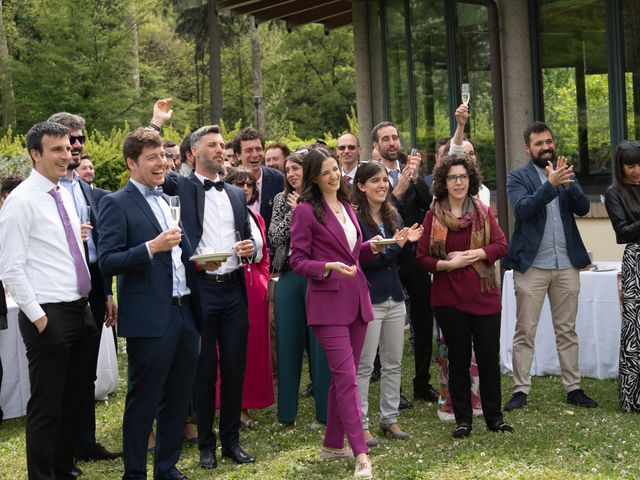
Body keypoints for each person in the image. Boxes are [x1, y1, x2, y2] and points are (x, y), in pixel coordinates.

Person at [97, 127, 201, 480]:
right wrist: (150, 248)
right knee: (144, 399)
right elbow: (107, 260)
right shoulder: (115, 202)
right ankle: (135, 473)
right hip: (150, 317)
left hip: (186, 312)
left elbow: (179, 254)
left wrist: (201, 261)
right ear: (132, 163)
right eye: (153, 158)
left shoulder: (170, 197)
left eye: (164, 156)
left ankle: (167, 467)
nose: (163, 163)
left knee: (177, 396)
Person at [0, 121, 98, 479]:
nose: (66, 154)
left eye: (68, 147)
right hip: (48, 315)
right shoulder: (21, 201)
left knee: (74, 403)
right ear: (35, 154)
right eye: (56, 149)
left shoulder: (66, 194)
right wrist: (41, 319)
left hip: (79, 309)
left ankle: (62, 469)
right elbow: (10, 268)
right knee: (46, 407)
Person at [161, 124, 256, 470]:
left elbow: (247, 236)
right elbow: (156, 162)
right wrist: (157, 122)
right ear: (192, 154)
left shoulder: (234, 193)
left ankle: (232, 441)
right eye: (212, 145)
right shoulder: (180, 186)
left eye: (222, 145)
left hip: (233, 287)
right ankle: (205, 444)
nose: (221, 150)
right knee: (204, 369)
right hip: (200, 289)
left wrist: (250, 247)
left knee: (234, 367)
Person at [290, 147, 385, 479]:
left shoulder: (346, 206)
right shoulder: (304, 211)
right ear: (315, 177)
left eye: (335, 169)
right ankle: (360, 454)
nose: (334, 175)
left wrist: (370, 248)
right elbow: (297, 261)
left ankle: (332, 444)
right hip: (327, 304)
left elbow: (352, 252)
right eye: (326, 171)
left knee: (342, 379)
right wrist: (326, 267)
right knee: (346, 380)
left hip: (357, 300)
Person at [503, 121, 597, 411]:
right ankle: (521, 389)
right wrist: (550, 186)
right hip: (532, 266)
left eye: (549, 142)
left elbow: (582, 208)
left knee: (567, 329)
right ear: (527, 148)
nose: (545, 147)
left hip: (567, 263)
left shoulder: (565, 171)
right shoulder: (516, 177)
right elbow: (523, 209)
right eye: (538, 143)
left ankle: (573, 388)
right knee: (525, 330)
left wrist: (568, 186)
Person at [416, 154, 512, 438]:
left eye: (463, 177)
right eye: (452, 177)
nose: (458, 182)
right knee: (458, 362)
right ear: (443, 183)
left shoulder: (483, 211)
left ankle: (495, 418)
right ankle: (463, 421)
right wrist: (449, 264)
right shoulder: (433, 215)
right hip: (449, 299)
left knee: (487, 360)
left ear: (471, 180)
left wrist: (476, 254)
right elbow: (422, 258)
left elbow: (501, 245)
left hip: (485, 298)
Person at [47, 111, 120, 463]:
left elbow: (100, 250)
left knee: (86, 370)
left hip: (92, 282)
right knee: (63, 372)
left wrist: (106, 293)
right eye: (70, 140)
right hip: (59, 288)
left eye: (80, 139)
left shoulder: (90, 189)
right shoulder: (49, 188)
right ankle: (62, 450)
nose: (76, 146)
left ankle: (85, 441)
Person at [352, 161, 423, 447]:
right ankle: (362, 423)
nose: (382, 185)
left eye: (384, 180)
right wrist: (396, 247)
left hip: (395, 295)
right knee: (365, 365)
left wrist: (408, 243)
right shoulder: (355, 220)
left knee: (393, 362)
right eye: (375, 181)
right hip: (370, 297)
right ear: (361, 186)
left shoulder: (394, 216)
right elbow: (361, 260)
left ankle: (389, 418)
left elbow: (402, 260)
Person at [372, 121, 438, 404]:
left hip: (415, 258)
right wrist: (396, 189)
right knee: (391, 328)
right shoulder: (373, 177)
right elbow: (378, 212)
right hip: (388, 259)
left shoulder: (411, 174)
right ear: (376, 145)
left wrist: (415, 180)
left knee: (423, 322)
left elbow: (430, 205)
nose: (391, 143)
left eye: (395, 137)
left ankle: (422, 383)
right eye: (385, 139)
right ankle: (394, 392)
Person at [268, 152, 331, 428]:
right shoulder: (282, 200)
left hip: (318, 275)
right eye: (287, 170)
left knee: (320, 345)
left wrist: (305, 209)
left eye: (296, 169)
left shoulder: (324, 198)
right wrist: (295, 212)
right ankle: (286, 415)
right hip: (290, 276)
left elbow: (328, 234)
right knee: (287, 342)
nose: (291, 174)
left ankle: (324, 413)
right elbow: (275, 237)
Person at [220, 168, 274, 426]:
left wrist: (263, 281)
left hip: (256, 288)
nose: (244, 188)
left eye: (249, 184)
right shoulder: (222, 216)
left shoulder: (257, 217)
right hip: (233, 283)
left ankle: (249, 401)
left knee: (254, 348)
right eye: (238, 183)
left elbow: (265, 255)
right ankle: (233, 405)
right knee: (232, 347)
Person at [603, 140, 640, 412]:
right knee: (635, 329)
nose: (637, 170)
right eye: (630, 165)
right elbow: (622, 233)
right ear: (621, 167)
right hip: (636, 259)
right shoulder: (615, 192)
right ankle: (633, 397)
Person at [231, 127, 284, 233]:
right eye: (249, 150)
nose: (255, 155)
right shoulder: (228, 183)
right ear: (238, 155)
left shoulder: (277, 179)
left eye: (259, 149)